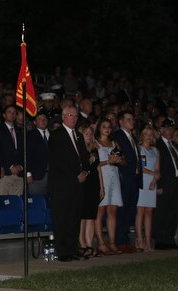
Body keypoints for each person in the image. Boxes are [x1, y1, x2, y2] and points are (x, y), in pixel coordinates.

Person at [46, 105, 91, 262]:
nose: (73, 118)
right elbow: (57, 162)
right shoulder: (56, 136)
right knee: (62, 218)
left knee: (74, 217)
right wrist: (74, 177)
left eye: (75, 116)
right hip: (62, 185)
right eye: (70, 115)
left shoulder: (78, 136)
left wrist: (86, 171)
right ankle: (62, 251)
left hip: (78, 185)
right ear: (64, 117)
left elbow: (84, 158)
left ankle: (72, 248)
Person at [113, 111, 142, 250]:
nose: (132, 121)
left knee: (130, 209)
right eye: (128, 118)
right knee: (123, 210)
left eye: (132, 118)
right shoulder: (118, 136)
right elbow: (118, 155)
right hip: (125, 178)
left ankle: (124, 239)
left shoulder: (133, 138)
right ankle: (120, 241)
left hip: (134, 177)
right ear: (121, 122)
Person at [152, 122, 178, 250]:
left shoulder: (174, 145)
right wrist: (158, 184)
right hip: (164, 184)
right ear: (161, 129)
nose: (170, 131)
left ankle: (170, 239)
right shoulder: (157, 145)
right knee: (161, 212)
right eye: (167, 129)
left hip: (174, 183)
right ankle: (160, 240)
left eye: (172, 129)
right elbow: (156, 166)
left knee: (173, 212)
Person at [95, 118, 124, 254]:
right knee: (100, 212)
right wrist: (108, 161)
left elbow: (124, 161)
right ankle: (101, 243)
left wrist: (119, 160)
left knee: (112, 211)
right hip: (102, 179)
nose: (107, 129)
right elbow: (93, 164)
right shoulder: (95, 144)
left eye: (109, 127)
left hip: (114, 178)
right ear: (99, 128)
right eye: (104, 126)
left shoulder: (114, 143)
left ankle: (112, 242)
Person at [78, 119, 101, 257]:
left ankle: (89, 244)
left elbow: (98, 169)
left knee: (91, 216)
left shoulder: (94, 148)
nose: (88, 135)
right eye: (85, 133)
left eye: (90, 133)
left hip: (94, 183)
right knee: (82, 216)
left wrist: (101, 187)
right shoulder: (79, 149)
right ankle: (82, 244)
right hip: (83, 184)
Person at [135, 128, 159, 251]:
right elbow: (141, 167)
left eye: (151, 134)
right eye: (146, 134)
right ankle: (139, 239)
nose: (149, 137)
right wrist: (153, 174)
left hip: (152, 183)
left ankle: (148, 239)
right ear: (142, 136)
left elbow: (158, 169)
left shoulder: (155, 150)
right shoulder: (139, 149)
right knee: (141, 211)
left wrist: (154, 180)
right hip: (142, 181)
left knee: (149, 212)